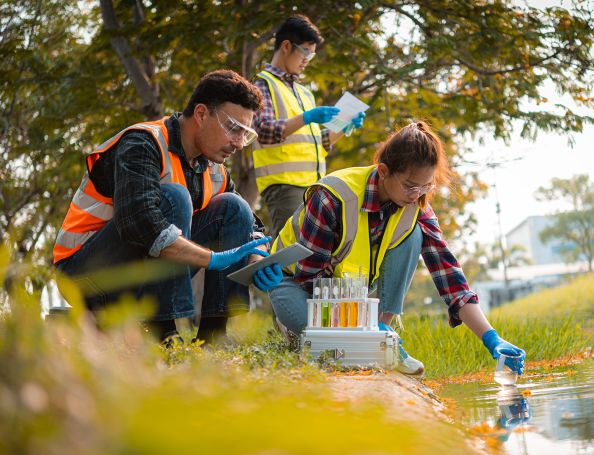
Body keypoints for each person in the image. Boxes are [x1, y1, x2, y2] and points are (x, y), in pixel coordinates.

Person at [268, 121, 526, 375]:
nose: (417, 194)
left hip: (349, 295)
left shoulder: (417, 208)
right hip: (296, 285)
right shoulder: (333, 196)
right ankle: (353, 338)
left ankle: (382, 335)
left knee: (414, 235)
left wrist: (492, 338)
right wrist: (364, 327)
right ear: (383, 171)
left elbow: (449, 275)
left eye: (426, 186)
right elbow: (309, 278)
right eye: (410, 186)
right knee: (337, 350)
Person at [53, 69, 283, 343]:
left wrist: (256, 258)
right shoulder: (142, 143)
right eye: (233, 128)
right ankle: (163, 333)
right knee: (174, 197)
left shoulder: (213, 168)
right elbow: (139, 223)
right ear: (201, 114)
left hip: (140, 276)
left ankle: (214, 338)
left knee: (233, 207)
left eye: (245, 134)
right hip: (87, 278)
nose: (238, 144)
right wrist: (212, 259)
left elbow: (252, 225)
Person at [251, 14, 366, 238]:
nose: (307, 60)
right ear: (286, 46)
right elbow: (263, 131)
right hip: (284, 187)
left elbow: (319, 143)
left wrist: (344, 125)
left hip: (315, 186)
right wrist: (307, 117)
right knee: (288, 250)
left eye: (310, 55)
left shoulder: (304, 92)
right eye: (305, 51)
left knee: (314, 251)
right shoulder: (263, 84)